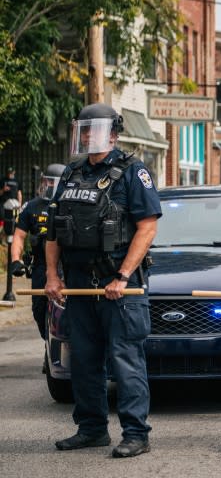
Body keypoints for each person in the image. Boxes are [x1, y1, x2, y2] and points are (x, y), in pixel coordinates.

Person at [44, 103, 161, 458]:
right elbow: (54, 230)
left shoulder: (131, 171)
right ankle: (92, 429)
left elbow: (148, 226)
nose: (88, 135)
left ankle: (136, 434)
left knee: (126, 361)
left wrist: (123, 275)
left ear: (113, 134)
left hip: (118, 287)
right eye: (84, 128)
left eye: (96, 129)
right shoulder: (71, 174)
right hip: (80, 285)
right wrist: (52, 274)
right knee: (83, 360)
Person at [10, 164, 65, 341]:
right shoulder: (32, 206)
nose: (49, 184)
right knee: (39, 309)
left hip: (66, 266)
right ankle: (47, 344)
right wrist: (16, 260)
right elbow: (19, 235)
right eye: (46, 180)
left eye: (52, 181)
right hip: (41, 266)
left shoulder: (69, 205)